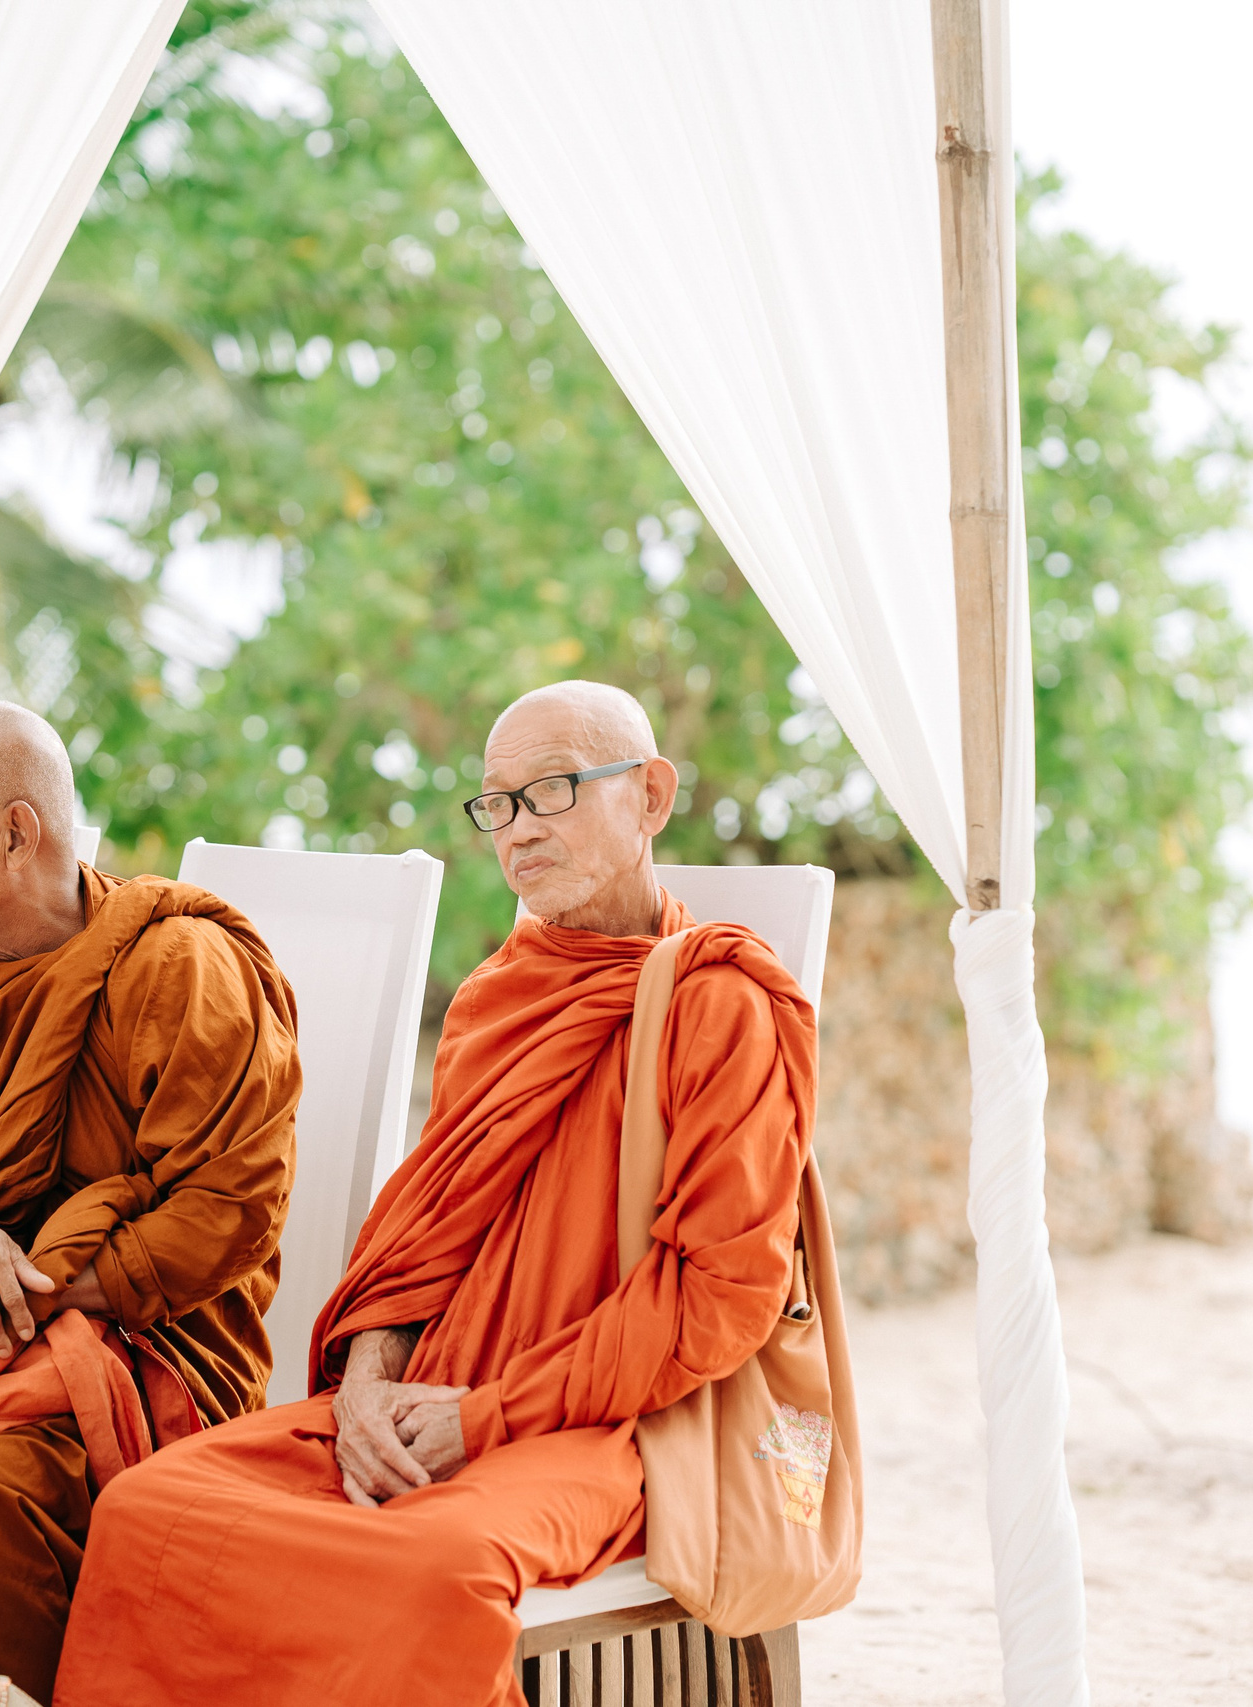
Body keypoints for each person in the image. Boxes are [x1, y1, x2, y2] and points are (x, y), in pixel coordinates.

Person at [54, 682, 817, 1707]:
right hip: (425, 1402)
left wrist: (487, 1415)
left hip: (612, 1425)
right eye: (496, 804)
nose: (517, 831)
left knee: (429, 1565)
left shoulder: (718, 1006)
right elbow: (415, 1247)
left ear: (649, 795)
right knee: (154, 1507)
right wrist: (365, 1390)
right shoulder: (497, 998)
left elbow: (718, 1302)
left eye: (549, 792)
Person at [0, 700, 301, 1705]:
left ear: (18, 833)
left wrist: (17, 1288)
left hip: (145, 1354)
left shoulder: (178, 966)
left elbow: (228, 1207)